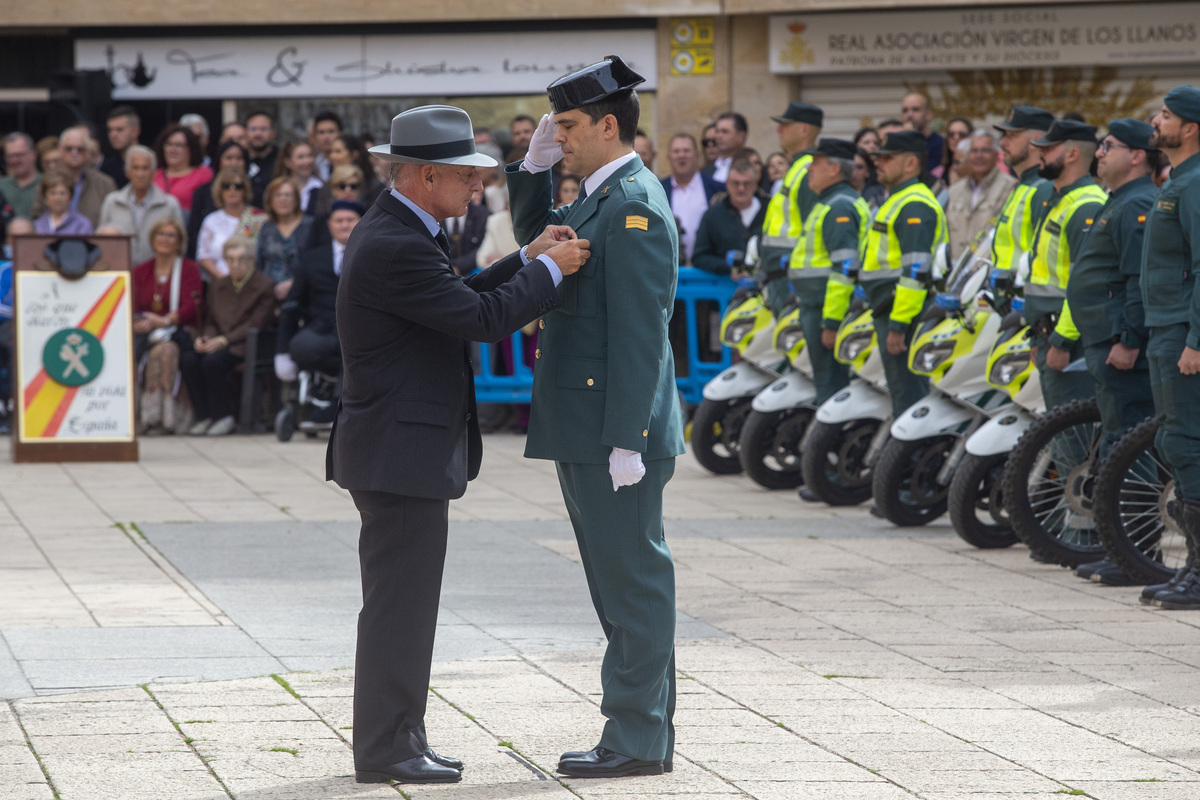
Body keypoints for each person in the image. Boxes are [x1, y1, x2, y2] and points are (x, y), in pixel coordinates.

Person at [328, 104, 587, 785]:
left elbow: (456, 295)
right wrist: (551, 272)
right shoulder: (397, 242)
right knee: (398, 608)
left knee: (405, 606)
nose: (477, 189)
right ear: (425, 174)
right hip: (397, 452)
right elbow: (479, 319)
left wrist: (523, 259)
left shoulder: (402, 229)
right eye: (467, 178)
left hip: (397, 449)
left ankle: (400, 735)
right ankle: (386, 748)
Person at [507, 54, 685, 780]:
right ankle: (641, 730)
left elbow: (643, 333)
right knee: (617, 586)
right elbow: (541, 248)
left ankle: (637, 737)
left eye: (572, 126)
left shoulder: (634, 203)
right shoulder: (599, 197)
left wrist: (627, 439)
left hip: (613, 432)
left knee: (633, 584)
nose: (562, 136)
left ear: (610, 125)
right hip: (587, 426)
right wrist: (532, 169)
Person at [1063, 118, 1160, 587]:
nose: (1098, 153)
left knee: (1130, 446)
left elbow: (1136, 280)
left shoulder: (1137, 203)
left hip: (1120, 344)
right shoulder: (1118, 201)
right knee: (1119, 438)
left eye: (1108, 145)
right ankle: (1120, 549)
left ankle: (1138, 550)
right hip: (1104, 339)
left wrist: (1127, 339)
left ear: (1137, 155)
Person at [825, 130, 947, 418]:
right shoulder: (898, 200)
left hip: (904, 314)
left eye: (887, 158)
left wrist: (899, 325)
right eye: (877, 157)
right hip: (889, 309)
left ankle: (913, 461)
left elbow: (916, 271)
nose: (877, 163)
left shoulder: (914, 204)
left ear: (910, 164)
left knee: (909, 398)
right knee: (901, 393)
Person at [1139, 86, 1200, 609]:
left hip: (1183, 332)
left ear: (1191, 128)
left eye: (1165, 116)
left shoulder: (1196, 184)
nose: (1156, 122)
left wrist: (1196, 340)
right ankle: (1193, 570)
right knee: (1176, 447)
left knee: (1187, 445)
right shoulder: (1176, 181)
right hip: (1164, 328)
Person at [1026, 120, 1107, 411]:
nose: (1040, 154)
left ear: (1072, 154)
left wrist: (1062, 340)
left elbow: (1084, 283)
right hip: (1050, 333)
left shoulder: (1085, 205)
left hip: (1070, 341)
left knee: (1072, 441)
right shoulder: (1061, 200)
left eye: (1048, 148)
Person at [789, 139, 869, 406]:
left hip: (828, 310)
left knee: (831, 387)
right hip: (819, 308)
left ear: (834, 169)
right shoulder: (831, 202)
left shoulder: (840, 207)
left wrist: (831, 324)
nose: (809, 168)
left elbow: (844, 270)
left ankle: (829, 446)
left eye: (817, 163)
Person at [180, 235, 275, 436]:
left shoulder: (264, 285)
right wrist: (205, 338)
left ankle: (223, 416)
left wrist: (222, 341)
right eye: (230, 259)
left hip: (244, 344)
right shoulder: (218, 285)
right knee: (189, 359)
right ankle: (204, 416)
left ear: (251, 260)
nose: (235, 264)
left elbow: (256, 322)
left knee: (212, 362)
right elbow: (211, 320)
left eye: (241, 259)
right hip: (218, 340)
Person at [274, 200, 362, 383]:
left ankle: (333, 407)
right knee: (301, 347)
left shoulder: (373, 255)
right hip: (320, 329)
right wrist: (281, 352)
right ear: (330, 225)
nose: (344, 225)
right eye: (339, 221)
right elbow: (293, 302)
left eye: (350, 220)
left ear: (362, 222)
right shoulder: (312, 258)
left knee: (359, 351)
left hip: (359, 330)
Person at [131, 217, 203, 433]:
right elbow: (131, 305)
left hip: (176, 332)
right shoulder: (141, 271)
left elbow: (193, 305)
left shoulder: (188, 268)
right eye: (161, 234)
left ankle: (162, 418)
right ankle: (138, 418)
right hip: (144, 333)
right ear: (153, 238)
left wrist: (164, 320)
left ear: (179, 241)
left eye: (171, 235)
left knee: (165, 352)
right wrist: (135, 325)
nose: (165, 239)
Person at [760, 102, 823, 314]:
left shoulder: (807, 170)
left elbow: (812, 230)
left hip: (792, 280)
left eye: (786, 125)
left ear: (804, 130)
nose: (779, 130)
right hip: (783, 277)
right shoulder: (798, 167)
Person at [991, 105, 1056, 273]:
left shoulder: (1044, 188)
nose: (1002, 142)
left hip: (1022, 295)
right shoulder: (1024, 185)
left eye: (1012, 136)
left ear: (1036, 140)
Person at [98, 144, 183, 265]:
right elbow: (102, 242)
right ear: (127, 171)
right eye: (136, 168)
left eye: (145, 168)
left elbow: (180, 246)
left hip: (156, 275)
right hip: (121, 274)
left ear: (154, 172)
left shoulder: (169, 204)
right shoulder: (112, 202)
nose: (140, 174)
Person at [946, 130, 1015, 260]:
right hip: (955, 272)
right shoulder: (954, 190)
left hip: (987, 272)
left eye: (985, 150)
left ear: (996, 155)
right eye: (974, 151)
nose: (979, 156)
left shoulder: (1010, 188)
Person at [691, 158, 766, 276]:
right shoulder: (713, 215)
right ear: (727, 184)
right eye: (736, 183)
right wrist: (729, 267)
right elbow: (699, 256)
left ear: (755, 184)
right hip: (724, 289)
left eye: (746, 183)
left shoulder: (769, 211)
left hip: (766, 285)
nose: (741, 188)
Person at [32, 126, 114, 227]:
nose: (74, 153)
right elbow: (37, 218)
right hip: (54, 240)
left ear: (88, 151)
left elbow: (112, 222)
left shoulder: (104, 184)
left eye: (80, 149)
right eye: (69, 148)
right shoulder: (47, 181)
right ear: (60, 150)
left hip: (93, 240)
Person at [660, 133, 722, 265]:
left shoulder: (717, 188)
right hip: (669, 269)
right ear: (669, 157)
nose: (681, 155)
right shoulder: (658, 190)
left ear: (697, 156)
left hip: (707, 272)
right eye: (676, 151)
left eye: (686, 151)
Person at [196, 167, 266, 280]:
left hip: (253, 285)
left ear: (245, 189)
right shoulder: (211, 220)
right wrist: (224, 281)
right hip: (220, 285)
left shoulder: (260, 219)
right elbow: (203, 256)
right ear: (220, 190)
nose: (232, 190)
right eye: (226, 186)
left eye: (238, 186)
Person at [187, 141, 250, 260]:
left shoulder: (256, 198)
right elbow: (194, 236)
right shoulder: (203, 193)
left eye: (238, 158)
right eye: (228, 158)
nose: (233, 163)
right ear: (219, 161)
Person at [257, 177, 313, 300]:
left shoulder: (310, 226)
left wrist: (293, 283)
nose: (283, 199)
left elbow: (314, 262)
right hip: (268, 295)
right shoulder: (266, 228)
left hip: (303, 293)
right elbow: (259, 262)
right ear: (270, 200)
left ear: (296, 199)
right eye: (277, 195)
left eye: (288, 195)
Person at [152, 124, 213, 221]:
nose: (172, 149)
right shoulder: (154, 175)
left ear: (191, 149)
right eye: (169, 144)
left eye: (179, 145)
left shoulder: (203, 174)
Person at [33, 170, 93, 235]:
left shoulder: (82, 225)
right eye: (53, 193)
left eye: (62, 193)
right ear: (45, 197)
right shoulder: (36, 226)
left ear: (70, 196)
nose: (58, 198)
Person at [901, 92, 945, 180]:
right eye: (905, 110)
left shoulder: (941, 145)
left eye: (915, 109)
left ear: (928, 115)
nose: (909, 115)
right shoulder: (897, 144)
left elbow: (922, 175)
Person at [272, 140, 324, 212]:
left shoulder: (320, 187)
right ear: (288, 162)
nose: (307, 161)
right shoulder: (277, 188)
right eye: (300, 157)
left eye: (309, 155)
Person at [1, 133, 42, 220]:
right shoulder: (1, 186)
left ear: (33, 154)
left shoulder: (47, 183)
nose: (14, 161)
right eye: (10, 156)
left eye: (19, 155)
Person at [244, 111, 279, 208]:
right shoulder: (239, 160)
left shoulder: (282, 160)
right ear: (246, 132)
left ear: (273, 133)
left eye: (263, 129)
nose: (258, 134)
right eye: (253, 129)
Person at [702, 112, 747, 184]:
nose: (719, 136)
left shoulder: (752, 166)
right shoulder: (706, 172)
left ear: (741, 136)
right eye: (717, 131)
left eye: (725, 131)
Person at [101, 106, 141, 187]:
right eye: (110, 130)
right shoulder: (106, 168)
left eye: (119, 129)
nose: (113, 135)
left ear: (136, 131)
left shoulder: (153, 162)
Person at [311, 110, 343, 181]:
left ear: (340, 134)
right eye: (321, 132)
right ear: (315, 136)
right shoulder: (312, 165)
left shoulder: (349, 163)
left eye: (331, 131)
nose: (326, 137)